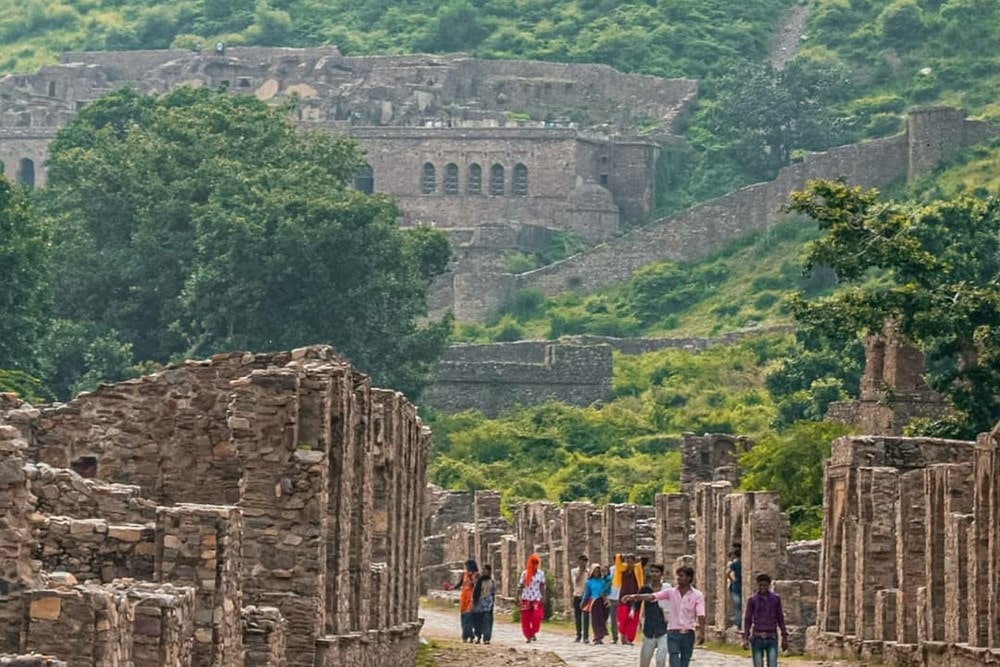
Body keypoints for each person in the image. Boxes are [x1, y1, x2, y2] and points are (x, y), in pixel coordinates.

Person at [624, 565, 705, 667]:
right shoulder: (670, 592)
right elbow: (653, 596)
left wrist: (702, 632)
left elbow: (701, 614)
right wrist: (634, 597)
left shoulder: (697, 595)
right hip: (671, 632)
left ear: (689, 578)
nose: (678, 578)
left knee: (683, 661)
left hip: (687, 633)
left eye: (681, 576)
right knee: (672, 659)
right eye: (678, 576)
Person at [742, 573, 788, 667]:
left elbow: (780, 618)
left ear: (769, 585)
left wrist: (784, 636)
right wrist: (745, 638)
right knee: (758, 664)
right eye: (760, 585)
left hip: (771, 637)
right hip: (757, 637)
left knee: (772, 664)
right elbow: (748, 619)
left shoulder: (775, 599)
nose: (762, 587)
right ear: (757, 585)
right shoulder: (752, 600)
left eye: (765, 585)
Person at [631, 563, 670, 667]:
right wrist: (633, 612)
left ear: (661, 574)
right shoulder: (645, 589)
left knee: (661, 659)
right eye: (652, 571)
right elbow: (637, 603)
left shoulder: (667, 590)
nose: (654, 574)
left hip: (664, 628)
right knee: (645, 660)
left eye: (657, 572)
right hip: (649, 628)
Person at [612, 552, 645, 645]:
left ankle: (628, 638)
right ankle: (622, 635)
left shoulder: (637, 569)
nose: (630, 563)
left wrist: (639, 559)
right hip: (624, 595)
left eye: (632, 561)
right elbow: (616, 558)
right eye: (628, 560)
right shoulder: (622, 569)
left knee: (633, 617)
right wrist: (622, 556)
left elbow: (645, 560)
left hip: (635, 595)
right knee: (623, 616)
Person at [517, 553, 546, 643]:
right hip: (526, 598)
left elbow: (542, 585)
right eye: (533, 562)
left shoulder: (541, 573)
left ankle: (533, 631)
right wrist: (518, 595)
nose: (535, 564)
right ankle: (528, 636)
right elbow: (520, 585)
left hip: (536, 598)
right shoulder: (525, 573)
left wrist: (543, 596)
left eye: (537, 562)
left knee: (537, 617)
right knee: (525, 619)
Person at [580, 564, 609, 644]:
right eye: (595, 571)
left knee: (603, 620)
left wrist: (606, 601)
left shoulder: (603, 581)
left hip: (602, 602)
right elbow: (587, 594)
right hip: (594, 602)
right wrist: (583, 603)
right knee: (595, 620)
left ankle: (601, 636)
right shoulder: (589, 582)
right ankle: (597, 637)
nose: (596, 573)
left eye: (598, 571)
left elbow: (605, 592)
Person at [472, 564, 496, 644]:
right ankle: (478, 636)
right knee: (477, 621)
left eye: (485, 570)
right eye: (482, 569)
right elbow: (475, 592)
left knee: (487, 621)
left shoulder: (492, 581)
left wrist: (492, 603)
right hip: (478, 604)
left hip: (488, 605)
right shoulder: (478, 581)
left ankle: (486, 638)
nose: (483, 571)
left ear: (489, 571)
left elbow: (493, 593)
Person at [457, 559, 479, 642]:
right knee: (463, 617)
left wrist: (471, 578)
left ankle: (469, 635)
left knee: (469, 617)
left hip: (471, 597)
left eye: (467, 566)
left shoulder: (476, 574)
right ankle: (466, 635)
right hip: (464, 597)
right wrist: (451, 588)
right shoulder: (464, 574)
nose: (466, 568)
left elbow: (475, 584)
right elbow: (459, 583)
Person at [571, 554, 590, 643]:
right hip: (577, 595)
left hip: (586, 596)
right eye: (582, 561)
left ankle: (586, 636)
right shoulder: (574, 571)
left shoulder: (589, 572)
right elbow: (576, 581)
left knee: (586, 617)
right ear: (579, 562)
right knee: (578, 617)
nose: (583, 563)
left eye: (585, 562)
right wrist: (581, 571)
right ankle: (578, 635)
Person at [728, 545, 743, 629]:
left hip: (735, 586)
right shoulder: (743, 563)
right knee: (741, 605)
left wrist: (732, 580)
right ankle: (739, 622)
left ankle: (738, 623)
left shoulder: (734, 564)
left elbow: (727, 573)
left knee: (737, 606)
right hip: (741, 585)